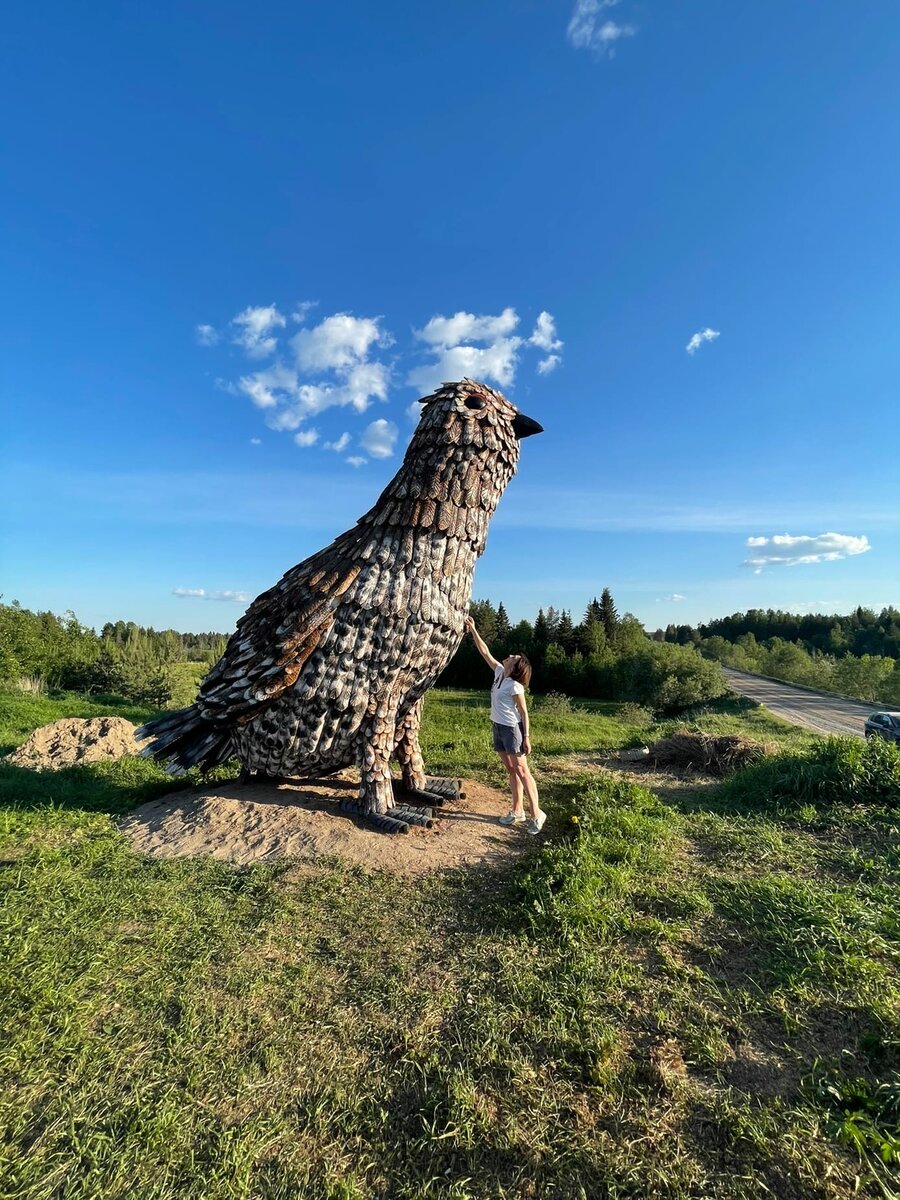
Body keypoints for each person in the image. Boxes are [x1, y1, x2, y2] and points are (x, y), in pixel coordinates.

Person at [465, 615, 546, 834]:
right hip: (498, 727)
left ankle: (537, 814)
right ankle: (517, 810)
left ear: (516, 666)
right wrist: (473, 629)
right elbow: (485, 652)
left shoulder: (515, 687)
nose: (509, 656)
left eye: (513, 657)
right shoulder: (500, 672)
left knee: (522, 770)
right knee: (511, 770)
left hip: (512, 730)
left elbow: (524, 712)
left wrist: (526, 736)